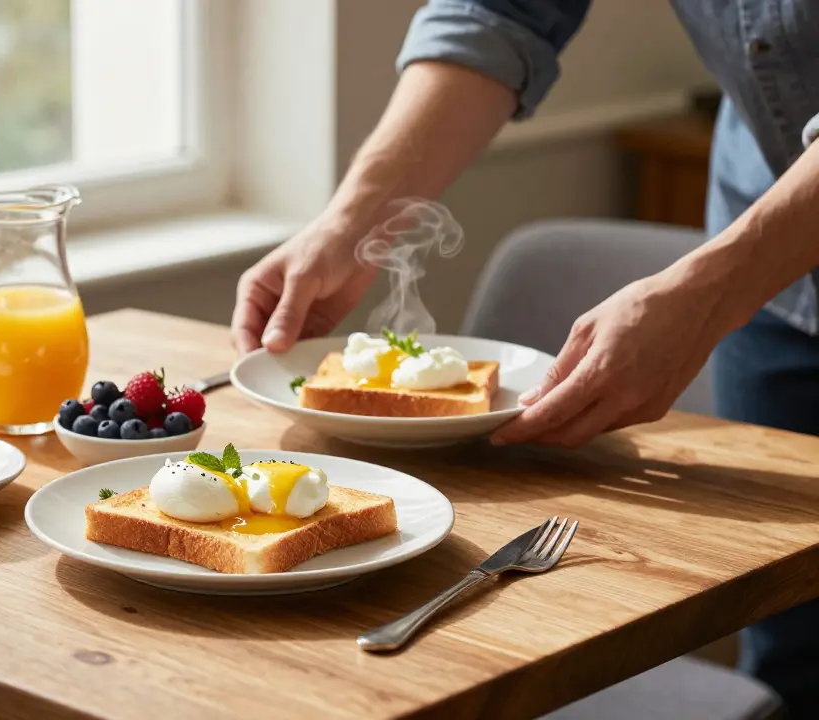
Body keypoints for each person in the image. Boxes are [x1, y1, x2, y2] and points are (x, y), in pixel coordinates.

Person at [230, 0, 819, 714]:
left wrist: (714, 287)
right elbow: (498, 11)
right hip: (781, 284)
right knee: (798, 646)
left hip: (761, 258)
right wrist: (353, 220)